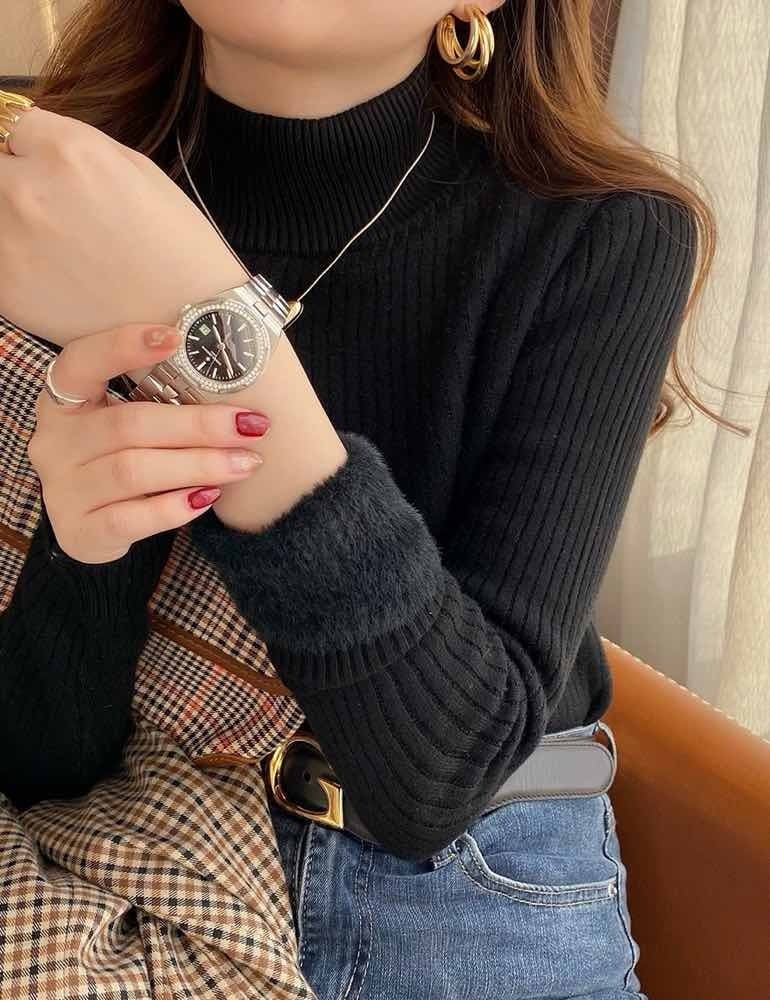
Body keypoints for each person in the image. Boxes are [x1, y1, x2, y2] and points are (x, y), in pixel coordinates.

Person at [0, 2, 719, 997]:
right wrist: (84, 553)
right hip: (137, 862)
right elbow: (41, 764)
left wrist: (206, 321)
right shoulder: (49, 199)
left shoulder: (601, 233)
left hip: (472, 900)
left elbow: (436, 780)